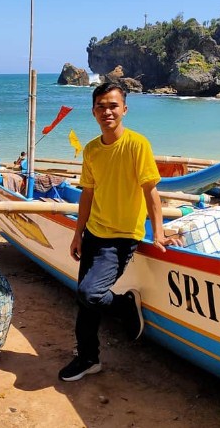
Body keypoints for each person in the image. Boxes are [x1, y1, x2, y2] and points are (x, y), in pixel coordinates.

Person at [58, 82, 183, 382]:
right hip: (94, 233)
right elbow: (87, 194)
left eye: (113, 105)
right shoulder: (91, 150)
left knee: (90, 293)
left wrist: (159, 232)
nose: (107, 111)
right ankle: (88, 358)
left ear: (124, 109)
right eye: (100, 106)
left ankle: (126, 306)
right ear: (93, 112)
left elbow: (151, 192)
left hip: (122, 238)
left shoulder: (137, 145)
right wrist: (78, 233)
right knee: (84, 301)